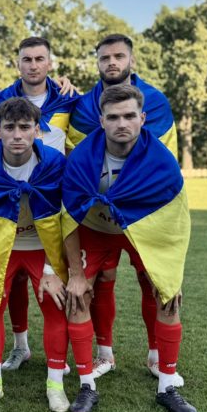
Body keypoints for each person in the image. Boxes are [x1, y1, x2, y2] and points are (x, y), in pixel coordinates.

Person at [61, 84, 197, 412]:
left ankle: (167, 385)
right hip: (95, 229)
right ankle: (86, 384)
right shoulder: (82, 157)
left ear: (142, 118)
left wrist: (171, 274)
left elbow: (175, 219)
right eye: (113, 117)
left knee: (167, 295)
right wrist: (75, 274)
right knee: (77, 295)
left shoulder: (161, 161)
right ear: (101, 120)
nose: (122, 123)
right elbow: (68, 215)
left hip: (142, 229)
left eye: (129, 116)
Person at [67, 34, 180, 383]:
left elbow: (160, 163)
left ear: (132, 60)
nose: (112, 62)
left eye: (119, 56)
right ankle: (104, 355)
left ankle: (157, 357)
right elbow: (74, 154)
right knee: (99, 283)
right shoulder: (82, 106)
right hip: (97, 220)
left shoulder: (156, 101)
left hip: (141, 217)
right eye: (105, 57)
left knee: (156, 284)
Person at [0, 97, 69, 410]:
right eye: (9, 127)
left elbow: (65, 217)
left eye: (25, 127)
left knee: (54, 304)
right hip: (1, 246)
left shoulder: (54, 163)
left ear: (37, 130)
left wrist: (51, 269)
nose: (17, 135)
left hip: (41, 246)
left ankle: (56, 385)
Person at [0, 37, 79, 371]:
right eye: (26, 59)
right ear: (18, 63)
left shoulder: (68, 98)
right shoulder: (1, 99)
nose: (33, 65)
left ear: (50, 63)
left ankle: (75, 354)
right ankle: (21, 347)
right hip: (13, 198)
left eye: (39, 59)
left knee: (59, 280)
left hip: (53, 200)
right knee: (14, 281)